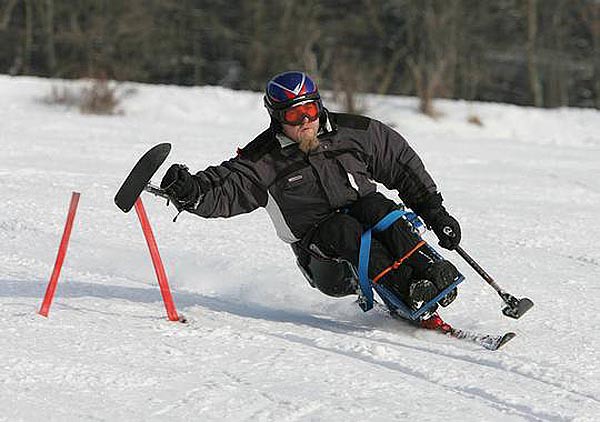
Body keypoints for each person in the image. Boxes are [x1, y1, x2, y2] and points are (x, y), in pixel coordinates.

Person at [160, 71, 462, 310]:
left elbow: (400, 165)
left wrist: (435, 212)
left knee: (378, 207)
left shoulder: (353, 133)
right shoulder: (263, 160)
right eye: (294, 115)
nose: (306, 121)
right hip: (324, 262)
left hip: (367, 221)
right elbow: (225, 188)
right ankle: (409, 292)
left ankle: (432, 272)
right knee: (343, 228)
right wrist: (191, 190)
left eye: (310, 109)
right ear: (278, 118)